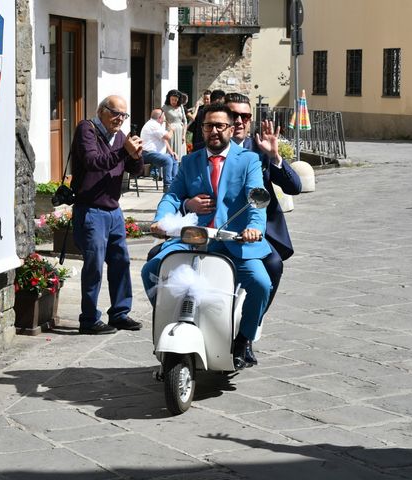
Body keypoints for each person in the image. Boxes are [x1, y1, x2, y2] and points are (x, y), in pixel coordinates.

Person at [141, 103, 272, 370]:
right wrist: (164, 218)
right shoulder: (189, 161)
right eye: (208, 125)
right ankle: (172, 321)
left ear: (231, 128)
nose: (214, 131)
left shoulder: (249, 160)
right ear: (202, 129)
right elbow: (172, 196)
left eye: (220, 126)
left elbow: (256, 201)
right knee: (151, 271)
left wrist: (253, 229)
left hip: (234, 241)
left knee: (260, 283)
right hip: (193, 240)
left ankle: (244, 339)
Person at [218, 92, 302, 365]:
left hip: (258, 234)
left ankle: (247, 335)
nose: (240, 121)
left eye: (246, 116)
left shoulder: (261, 149)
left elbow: (294, 188)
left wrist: (275, 156)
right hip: (222, 231)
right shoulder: (212, 145)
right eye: (235, 115)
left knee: (273, 266)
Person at [70, 95, 144, 334]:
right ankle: (89, 319)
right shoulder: (87, 129)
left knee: (121, 262)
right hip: (91, 210)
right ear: (101, 110)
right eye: (115, 113)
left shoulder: (120, 137)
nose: (119, 119)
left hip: (113, 211)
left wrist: (136, 154)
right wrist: (124, 152)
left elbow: (135, 170)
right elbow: (93, 161)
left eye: (124, 115)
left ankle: (120, 313)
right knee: (94, 266)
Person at [140, 109, 179, 192]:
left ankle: (175, 183)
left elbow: (164, 139)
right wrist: (172, 130)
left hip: (155, 154)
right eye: (163, 116)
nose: (165, 117)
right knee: (167, 160)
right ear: (160, 117)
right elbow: (168, 136)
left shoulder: (157, 125)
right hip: (147, 153)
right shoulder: (153, 125)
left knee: (173, 158)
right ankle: (167, 186)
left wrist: (171, 152)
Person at [162, 90, 187, 161]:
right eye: (172, 99)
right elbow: (161, 120)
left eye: (176, 100)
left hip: (180, 132)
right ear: (169, 98)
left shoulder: (181, 106)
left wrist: (184, 135)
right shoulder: (165, 107)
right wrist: (168, 126)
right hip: (171, 132)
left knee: (181, 154)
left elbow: (185, 121)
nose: (174, 101)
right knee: (171, 154)